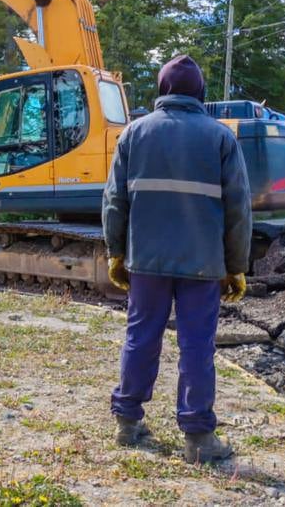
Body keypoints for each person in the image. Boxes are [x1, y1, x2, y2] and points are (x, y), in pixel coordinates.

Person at [102, 54, 252, 465]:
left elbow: (114, 201)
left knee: (140, 337)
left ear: (162, 89)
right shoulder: (221, 138)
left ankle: (127, 424)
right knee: (197, 347)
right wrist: (236, 265)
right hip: (202, 265)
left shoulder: (133, 134)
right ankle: (199, 438)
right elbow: (238, 209)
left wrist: (116, 253)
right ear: (199, 92)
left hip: (146, 261)